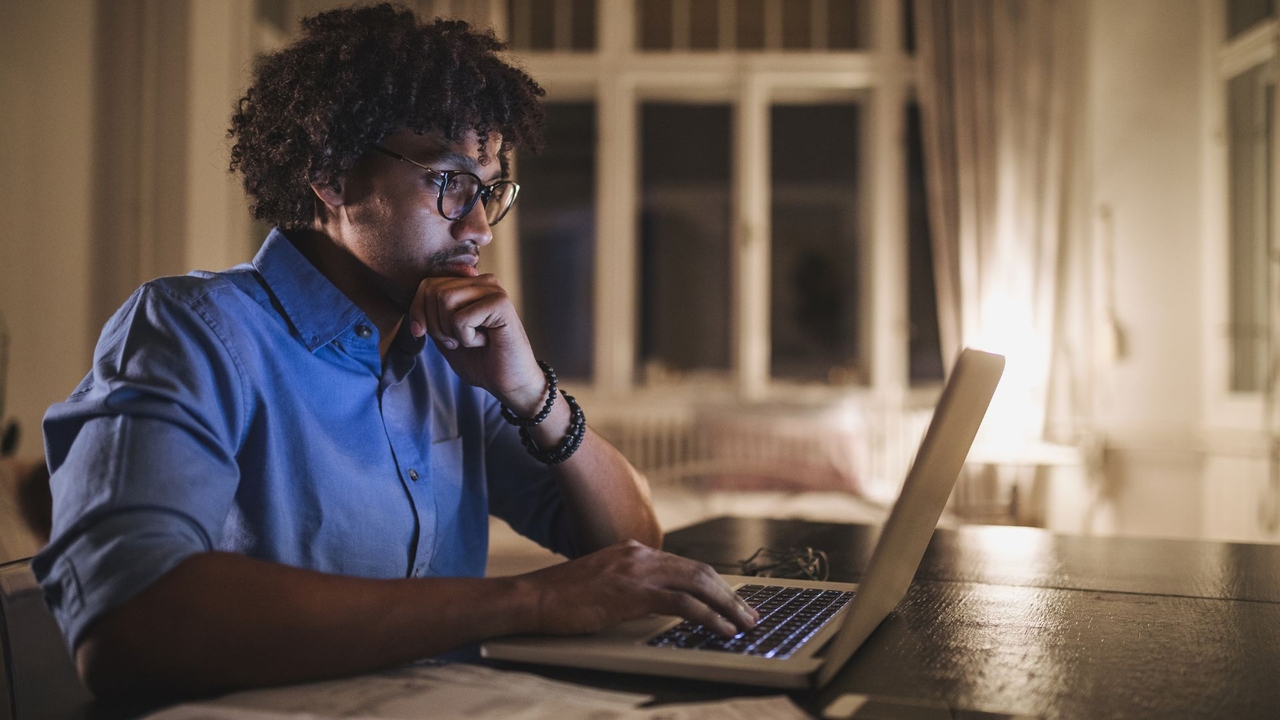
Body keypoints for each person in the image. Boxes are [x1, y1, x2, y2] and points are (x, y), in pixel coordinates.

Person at [33, 4, 756, 698]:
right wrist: (527, 600)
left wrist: (532, 393)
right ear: (332, 174)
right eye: (447, 181)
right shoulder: (191, 331)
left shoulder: (453, 355)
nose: (480, 225)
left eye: (490, 188)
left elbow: (634, 544)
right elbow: (128, 621)